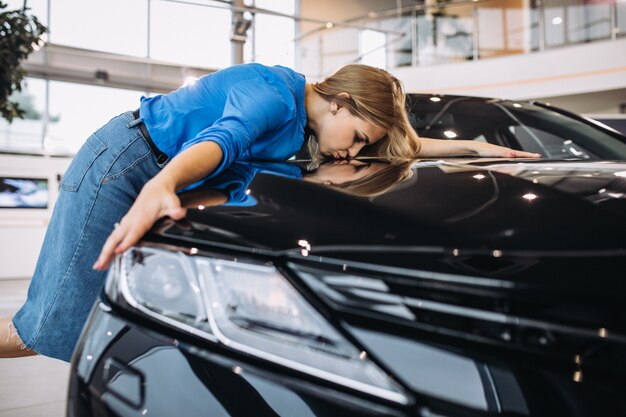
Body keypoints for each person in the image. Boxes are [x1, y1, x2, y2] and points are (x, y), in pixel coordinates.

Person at [0, 62, 539, 362]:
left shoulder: (308, 129)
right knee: (51, 330)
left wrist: (474, 149)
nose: (351, 154)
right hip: (125, 165)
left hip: (155, 172)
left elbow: (402, 147)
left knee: (103, 327)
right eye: (355, 138)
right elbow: (222, 141)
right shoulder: (274, 96)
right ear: (338, 102)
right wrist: (164, 186)